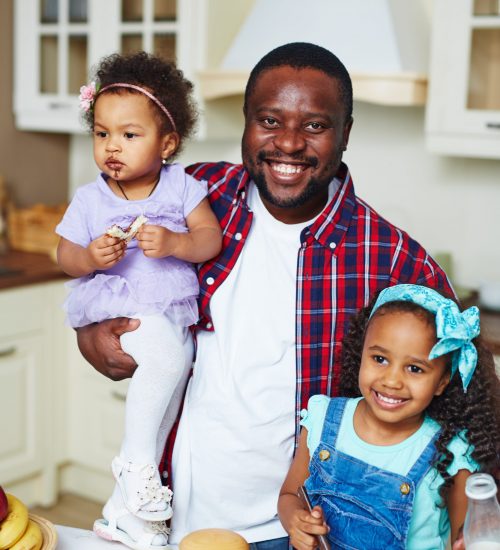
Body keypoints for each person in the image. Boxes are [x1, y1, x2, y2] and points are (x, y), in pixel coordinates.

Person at [76, 42, 455, 549]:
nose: (290, 144)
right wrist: (90, 334)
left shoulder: (392, 259)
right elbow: (105, 265)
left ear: (345, 133)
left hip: (305, 528)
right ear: (247, 122)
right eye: (270, 121)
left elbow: (462, 407)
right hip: (165, 509)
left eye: (315, 125)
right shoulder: (193, 197)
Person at [56, 51, 222, 550]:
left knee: (170, 394)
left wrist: (174, 244)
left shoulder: (182, 186)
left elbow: (209, 238)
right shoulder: (90, 198)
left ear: (167, 142)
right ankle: (136, 465)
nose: (112, 146)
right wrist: (90, 256)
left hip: (169, 307)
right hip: (122, 308)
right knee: (167, 361)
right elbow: (64, 254)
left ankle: (120, 515)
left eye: (130, 135)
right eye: (102, 133)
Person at [278, 284, 500, 549]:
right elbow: (290, 495)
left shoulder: (452, 452)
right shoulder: (323, 418)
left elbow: (464, 538)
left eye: (415, 368)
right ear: (361, 354)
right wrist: (296, 520)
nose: (392, 380)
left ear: (442, 381)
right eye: (380, 359)